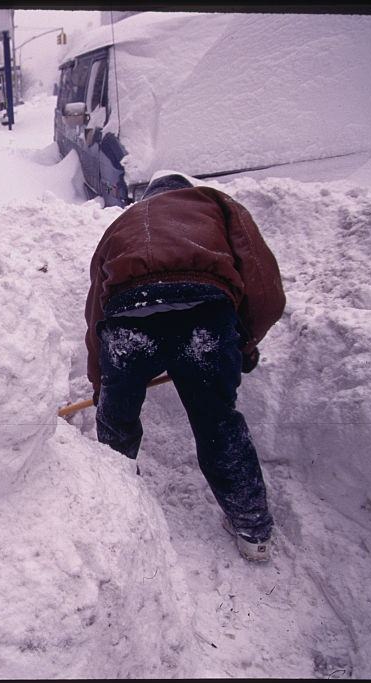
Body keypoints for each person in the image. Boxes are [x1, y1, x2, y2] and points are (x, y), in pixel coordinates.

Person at [84, 170, 286, 562]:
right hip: (204, 315)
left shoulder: (120, 223)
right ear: (184, 191)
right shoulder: (213, 204)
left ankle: (116, 517)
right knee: (217, 421)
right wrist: (243, 343)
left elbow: (96, 315)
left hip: (130, 319)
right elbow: (262, 283)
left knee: (117, 422)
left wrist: (103, 384)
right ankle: (252, 527)